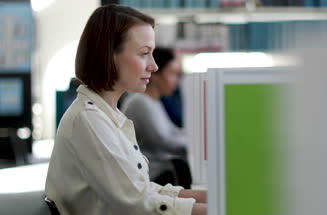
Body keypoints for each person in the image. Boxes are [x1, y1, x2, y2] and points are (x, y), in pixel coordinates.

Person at [45, 5, 207, 215]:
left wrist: (201, 197)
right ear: (109, 55)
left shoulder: (107, 115)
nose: (154, 66)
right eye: (144, 54)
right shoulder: (88, 121)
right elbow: (138, 206)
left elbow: (140, 191)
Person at [121, 47, 192, 189]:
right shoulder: (141, 102)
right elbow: (164, 141)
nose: (176, 81)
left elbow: (173, 132)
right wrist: (194, 143)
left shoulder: (154, 101)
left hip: (160, 172)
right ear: (155, 74)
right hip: (151, 176)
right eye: (172, 73)